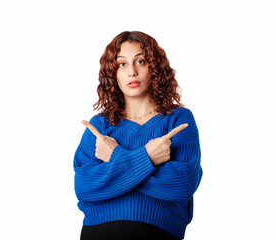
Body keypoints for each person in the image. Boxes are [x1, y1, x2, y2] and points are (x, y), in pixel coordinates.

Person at [73, 31, 203, 240]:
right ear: (112, 72)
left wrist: (115, 156)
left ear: (154, 68)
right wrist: (149, 158)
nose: (131, 72)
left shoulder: (178, 119)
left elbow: (182, 185)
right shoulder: (100, 125)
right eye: (122, 64)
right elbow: (85, 188)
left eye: (140, 61)